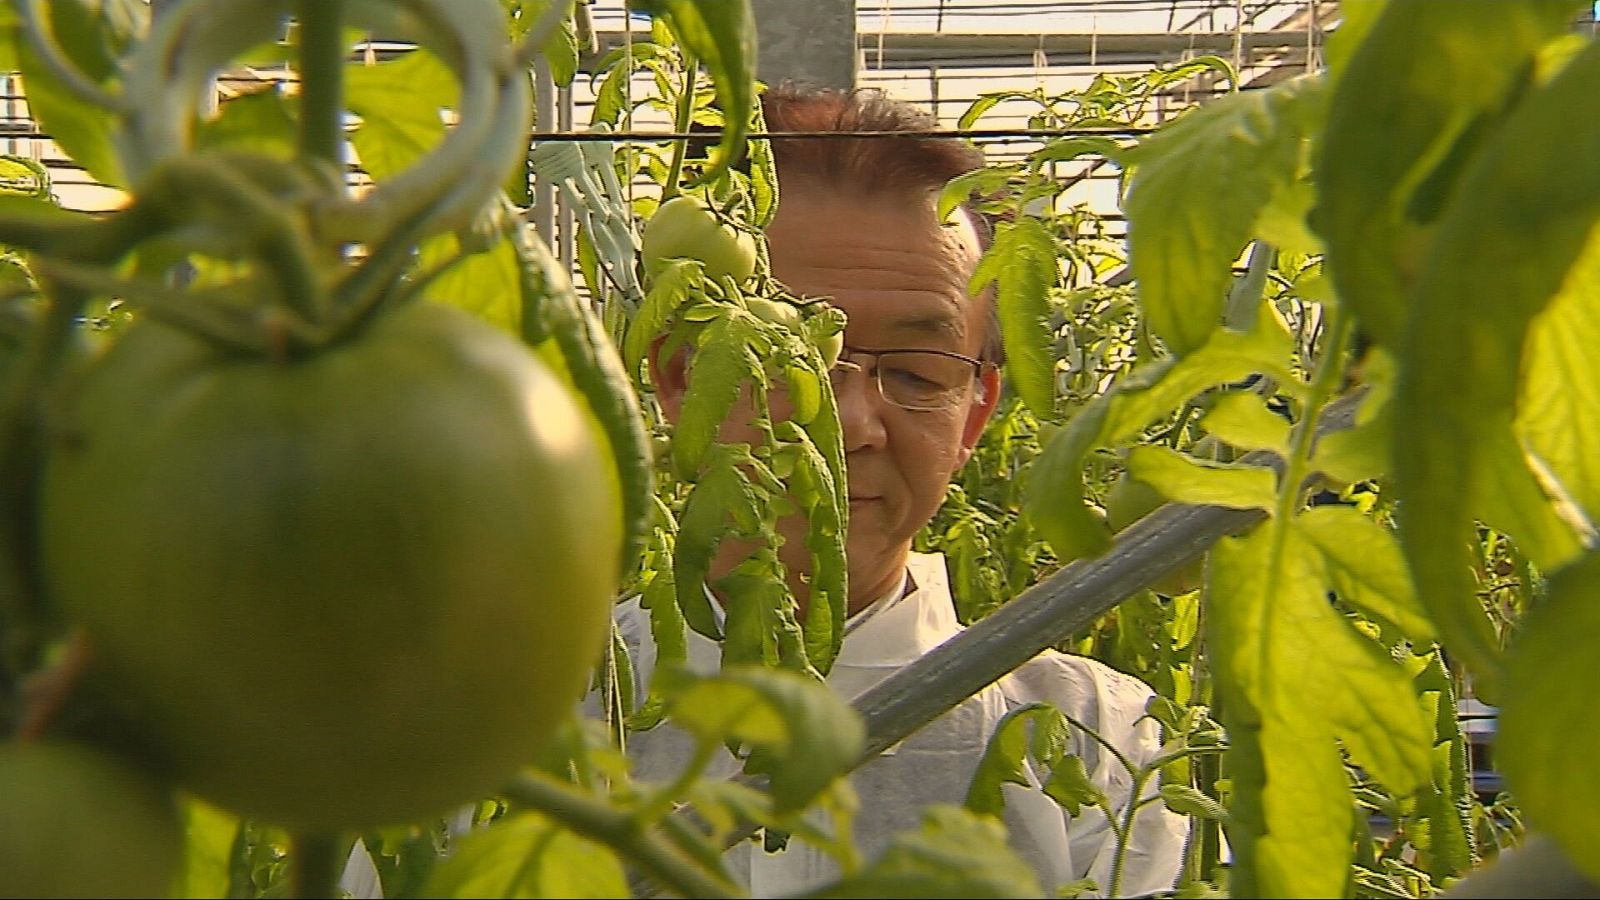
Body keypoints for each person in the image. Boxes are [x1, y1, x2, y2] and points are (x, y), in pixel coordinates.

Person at [612, 84, 1189, 898]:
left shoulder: (1097, 746)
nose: (852, 425)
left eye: (918, 374)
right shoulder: (523, 725)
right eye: (790, 356)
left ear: (974, 415)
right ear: (677, 379)